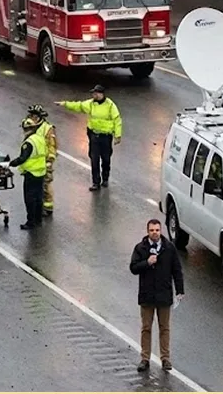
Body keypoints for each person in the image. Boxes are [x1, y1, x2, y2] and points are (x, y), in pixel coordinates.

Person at [129, 219, 184, 373]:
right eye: (152, 230)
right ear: (148, 231)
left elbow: (177, 270)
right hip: (147, 295)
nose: (155, 233)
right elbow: (133, 267)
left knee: (164, 328)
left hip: (164, 295)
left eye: (157, 230)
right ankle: (145, 359)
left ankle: (165, 358)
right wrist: (147, 262)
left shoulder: (169, 248)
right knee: (146, 327)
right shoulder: (141, 248)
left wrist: (180, 290)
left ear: (161, 231)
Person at [56, 84, 122, 191]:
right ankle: (96, 182)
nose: (94, 95)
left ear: (101, 94)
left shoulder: (110, 105)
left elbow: (117, 120)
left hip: (106, 137)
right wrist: (65, 104)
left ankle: (105, 178)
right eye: (93, 93)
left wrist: (117, 136)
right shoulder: (91, 104)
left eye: (96, 93)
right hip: (94, 136)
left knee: (106, 159)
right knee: (94, 159)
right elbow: (79, 106)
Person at [7, 118, 48, 230]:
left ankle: (31, 222)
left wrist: (11, 163)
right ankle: (38, 219)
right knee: (39, 197)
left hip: (31, 174)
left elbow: (23, 158)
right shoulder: (40, 138)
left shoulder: (29, 142)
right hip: (41, 172)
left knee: (30, 199)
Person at [27, 104, 58, 216]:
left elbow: (52, 146)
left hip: (44, 161)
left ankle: (48, 206)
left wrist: (49, 161)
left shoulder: (47, 128)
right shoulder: (30, 126)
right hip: (33, 162)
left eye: (34, 116)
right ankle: (38, 204)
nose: (32, 118)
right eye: (31, 116)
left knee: (46, 183)